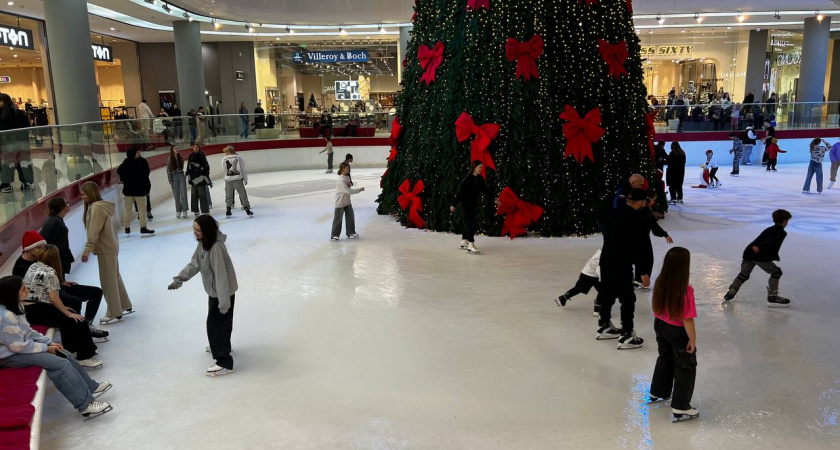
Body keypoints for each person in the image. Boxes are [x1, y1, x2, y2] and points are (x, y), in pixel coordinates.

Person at [0, 276, 113, 419]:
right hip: (7, 357)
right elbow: (18, 346)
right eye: (23, 289)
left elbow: (28, 331)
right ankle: (85, 405)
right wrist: (45, 348)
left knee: (63, 353)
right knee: (60, 364)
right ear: (12, 293)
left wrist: (48, 342)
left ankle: (91, 387)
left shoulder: (16, 306)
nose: (27, 290)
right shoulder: (6, 316)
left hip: (17, 349)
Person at [168, 216, 238, 377]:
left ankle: (224, 361)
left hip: (222, 292)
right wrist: (179, 279)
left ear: (207, 230)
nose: (195, 233)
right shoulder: (203, 244)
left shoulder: (216, 248)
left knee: (215, 324)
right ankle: (220, 345)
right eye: (194, 229)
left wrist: (224, 302)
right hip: (215, 292)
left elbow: (221, 276)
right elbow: (195, 264)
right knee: (221, 323)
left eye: (198, 230)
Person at [14, 231, 107, 340]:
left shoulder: (38, 259)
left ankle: (87, 324)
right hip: (43, 297)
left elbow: (48, 277)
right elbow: (31, 292)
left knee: (96, 292)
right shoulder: (20, 268)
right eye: (39, 248)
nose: (43, 250)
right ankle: (80, 331)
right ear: (29, 249)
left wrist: (61, 281)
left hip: (54, 288)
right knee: (74, 301)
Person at [22, 245, 102, 368]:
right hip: (37, 310)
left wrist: (66, 311)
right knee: (77, 320)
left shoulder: (34, 265)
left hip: (30, 310)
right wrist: (68, 313)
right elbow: (54, 298)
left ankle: (73, 349)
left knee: (69, 317)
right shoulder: (50, 272)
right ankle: (84, 356)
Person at [594, 188, 652, 350]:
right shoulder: (637, 219)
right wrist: (643, 272)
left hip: (606, 260)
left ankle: (604, 325)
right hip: (621, 263)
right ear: (640, 202)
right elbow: (640, 247)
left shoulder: (613, 213)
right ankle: (626, 334)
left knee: (607, 293)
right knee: (627, 299)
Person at [648, 247, 699, 422]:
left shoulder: (661, 281)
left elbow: (655, 305)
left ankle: (658, 391)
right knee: (686, 366)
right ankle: (681, 405)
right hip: (677, 331)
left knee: (665, 357)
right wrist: (692, 340)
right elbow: (687, 319)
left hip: (660, 324)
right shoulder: (685, 290)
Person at [80, 182, 135, 324]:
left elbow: (93, 231)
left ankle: (114, 312)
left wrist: (87, 250)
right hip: (110, 246)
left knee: (108, 281)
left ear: (91, 193)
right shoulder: (99, 206)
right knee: (114, 277)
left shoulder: (96, 208)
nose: (82, 197)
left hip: (106, 248)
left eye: (84, 194)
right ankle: (124, 304)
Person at [723, 209, 792, 307]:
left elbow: (760, 240)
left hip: (748, 253)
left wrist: (755, 247)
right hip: (759, 255)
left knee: (743, 274)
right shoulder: (781, 232)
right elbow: (770, 244)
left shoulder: (769, 229)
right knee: (776, 272)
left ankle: (731, 291)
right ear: (785, 221)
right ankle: (773, 296)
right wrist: (768, 253)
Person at [450, 161, 500, 254]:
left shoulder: (480, 178)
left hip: (474, 204)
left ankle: (464, 241)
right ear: (474, 168)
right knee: (471, 223)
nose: (481, 169)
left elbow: (486, 191)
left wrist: (494, 200)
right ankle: (471, 245)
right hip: (466, 204)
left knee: (470, 222)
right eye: (479, 167)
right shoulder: (467, 179)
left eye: (481, 167)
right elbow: (460, 193)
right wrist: (454, 204)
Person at [116, 148, 155, 236]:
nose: (139, 153)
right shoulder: (141, 162)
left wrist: (126, 179)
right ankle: (143, 227)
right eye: (137, 152)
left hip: (128, 191)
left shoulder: (126, 162)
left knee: (128, 210)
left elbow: (119, 171)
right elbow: (146, 175)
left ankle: (127, 227)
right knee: (141, 209)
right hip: (139, 190)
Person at [0, 92, 33, 193]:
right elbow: (27, 126)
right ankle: (27, 183)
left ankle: (6, 185)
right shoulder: (19, 113)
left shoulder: (1, 114)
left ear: (1, 102)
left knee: (7, 164)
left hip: (6, 143)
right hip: (23, 142)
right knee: (23, 163)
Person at [556, 249, 602, 317]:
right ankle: (597, 309)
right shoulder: (607, 252)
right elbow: (599, 266)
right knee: (604, 291)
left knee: (579, 288)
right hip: (594, 275)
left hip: (586, 271)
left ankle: (563, 298)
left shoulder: (601, 250)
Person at [331, 162, 364, 241]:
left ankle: (350, 232)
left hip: (347, 201)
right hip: (340, 202)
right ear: (342, 169)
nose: (349, 169)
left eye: (349, 168)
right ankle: (334, 235)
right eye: (347, 168)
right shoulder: (341, 179)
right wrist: (359, 190)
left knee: (350, 217)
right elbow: (347, 191)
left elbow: (348, 187)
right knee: (338, 219)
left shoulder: (347, 178)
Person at [221, 146, 253, 217]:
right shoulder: (239, 158)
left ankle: (228, 210)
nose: (225, 153)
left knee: (228, 196)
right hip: (238, 180)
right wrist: (245, 179)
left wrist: (225, 179)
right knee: (242, 195)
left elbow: (224, 170)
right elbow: (243, 169)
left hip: (228, 180)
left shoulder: (223, 159)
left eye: (226, 152)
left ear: (229, 151)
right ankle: (247, 209)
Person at [187, 144, 211, 216]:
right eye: (194, 147)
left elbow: (206, 166)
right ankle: (195, 210)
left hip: (201, 178)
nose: (195, 148)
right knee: (194, 195)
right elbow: (188, 167)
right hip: (193, 178)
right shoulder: (191, 156)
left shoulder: (202, 155)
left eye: (197, 147)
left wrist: (205, 175)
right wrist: (189, 178)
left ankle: (205, 210)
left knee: (202, 194)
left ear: (199, 148)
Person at [167, 145, 189, 219]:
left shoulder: (181, 158)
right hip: (173, 176)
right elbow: (168, 169)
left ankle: (185, 210)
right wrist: (170, 179)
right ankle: (178, 210)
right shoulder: (170, 158)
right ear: (172, 150)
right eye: (175, 148)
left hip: (180, 175)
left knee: (183, 194)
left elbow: (182, 167)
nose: (177, 149)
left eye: (177, 148)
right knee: (176, 195)